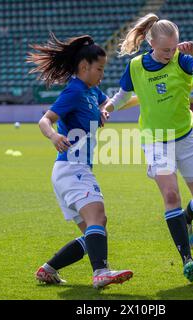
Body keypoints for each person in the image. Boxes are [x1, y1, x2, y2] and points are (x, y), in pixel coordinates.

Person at [103, 13, 193, 282]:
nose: (170, 53)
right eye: (165, 49)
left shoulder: (183, 59)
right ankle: (187, 259)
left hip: (185, 137)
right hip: (155, 139)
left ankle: (187, 219)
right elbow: (123, 95)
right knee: (171, 196)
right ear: (150, 42)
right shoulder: (136, 66)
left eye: (173, 47)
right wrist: (108, 107)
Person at [26, 32, 133, 289]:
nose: (102, 74)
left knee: (95, 231)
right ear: (84, 67)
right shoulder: (74, 91)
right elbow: (45, 119)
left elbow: (106, 102)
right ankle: (101, 272)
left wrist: (105, 110)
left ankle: (48, 269)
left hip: (69, 171)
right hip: (72, 168)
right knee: (98, 216)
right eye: (99, 68)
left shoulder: (90, 90)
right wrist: (53, 136)